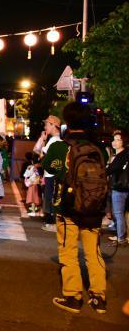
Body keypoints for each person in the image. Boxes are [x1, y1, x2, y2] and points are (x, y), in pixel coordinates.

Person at [42, 102, 107, 314]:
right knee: (93, 253)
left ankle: (73, 296)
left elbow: (48, 166)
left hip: (68, 207)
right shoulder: (99, 149)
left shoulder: (62, 146)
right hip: (93, 209)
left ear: (67, 122)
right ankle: (99, 297)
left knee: (68, 252)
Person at [34, 115, 62, 232]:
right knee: (51, 198)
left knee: (49, 198)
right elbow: (38, 151)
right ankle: (52, 222)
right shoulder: (56, 140)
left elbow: (39, 153)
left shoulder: (54, 140)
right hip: (52, 175)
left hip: (51, 175)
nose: (45, 126)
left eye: (47, 124)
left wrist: (42, 140)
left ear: (53, 125)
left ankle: (52, 223)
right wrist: (43, 139)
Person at [106, 129, 129, 247]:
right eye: (114, 139)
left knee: (118, 213)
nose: (114, 142)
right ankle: (123, 236)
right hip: (125, 188)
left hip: (119, 188)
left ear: (123, 142)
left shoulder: (121, 156)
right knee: (124, 214)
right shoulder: (125, 155)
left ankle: (121, 238)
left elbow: (111, 170)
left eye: (118, 140)